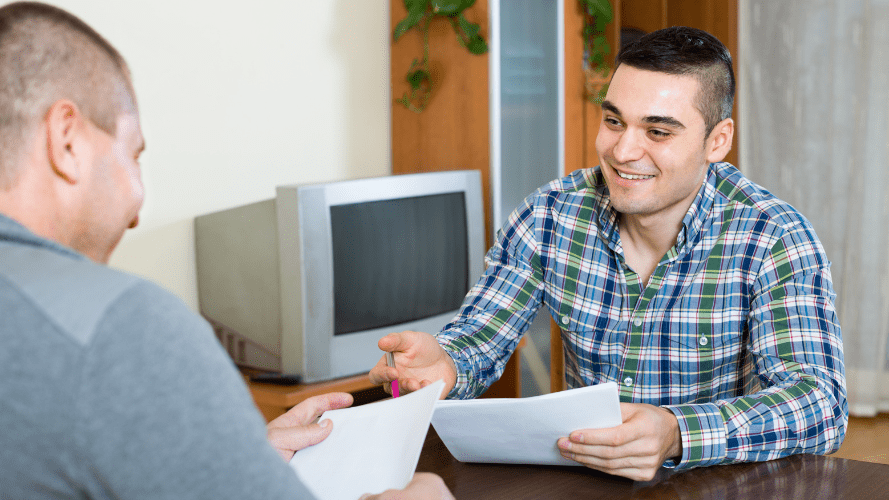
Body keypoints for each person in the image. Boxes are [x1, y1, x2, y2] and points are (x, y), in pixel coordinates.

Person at [0, 2, 452, 499]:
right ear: (67, 140)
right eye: (134, 155)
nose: (136, 210)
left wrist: (234, 456)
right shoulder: (123, 326)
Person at [370, 26, 848, 481]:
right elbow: (479, 339)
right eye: (614, 120)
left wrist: (677, 432)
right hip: (587, 479)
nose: (622, 150)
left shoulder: (775, 237)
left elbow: (819, 404)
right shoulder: (550, 215)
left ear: (717, 141)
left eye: (657, 132)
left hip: (722, 483)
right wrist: (446, 365)